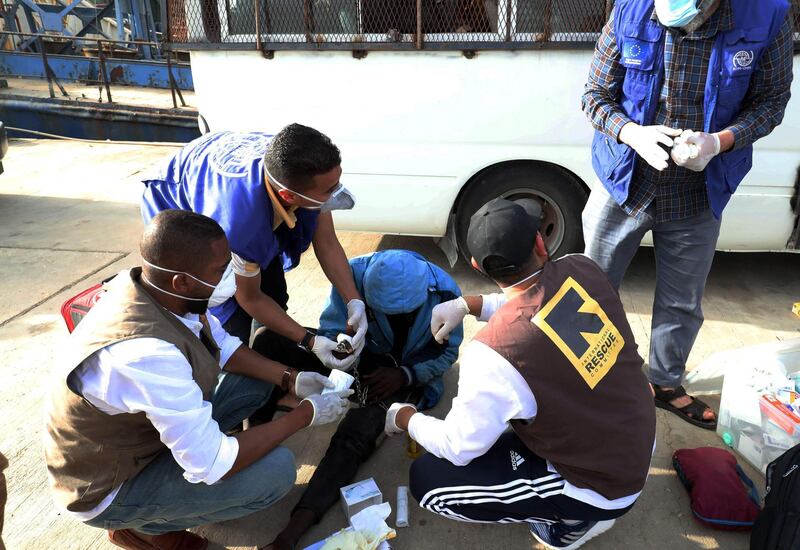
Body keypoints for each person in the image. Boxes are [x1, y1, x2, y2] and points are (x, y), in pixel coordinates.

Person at [43, 210, 352, 550]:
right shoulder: (148, 354)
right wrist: (306, 413)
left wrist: (292, 379)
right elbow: (212, 463)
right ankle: (143, 526)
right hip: (109, 485)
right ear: (182, 280)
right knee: (275, 472)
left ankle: (179, 488)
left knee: (262, 377)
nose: (231, 276)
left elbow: (225, 347)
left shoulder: (158, 291)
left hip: (141, 437)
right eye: (221, 270)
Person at [385, 198, 656, 550]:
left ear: (476, 265)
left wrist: (405, 417)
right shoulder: (582, 267)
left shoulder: (494, 354)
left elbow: (458, 446)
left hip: (602, 486)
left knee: (428, 483)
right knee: (514, 410)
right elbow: (536, 301)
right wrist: (468, 305)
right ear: (541, 244)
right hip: (633, 438)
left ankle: (573, 523)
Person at [581, 0, 793, 429]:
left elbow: (772, 102)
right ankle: (588, 383)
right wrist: (631, 133)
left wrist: (719, 142)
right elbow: (594, 96)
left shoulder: (767, 15)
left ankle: (665, 384)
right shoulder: (630, 9)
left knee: (682, 300)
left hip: (700, 188)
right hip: (624, 178)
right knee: (590, 293)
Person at [256, 249, 463, 550]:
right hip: (359, 357)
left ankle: (291, 533)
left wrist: (404, 375)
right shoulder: (351, 276)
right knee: (267, 339)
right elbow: (330, 326)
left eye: (403, 313)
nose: (395, 318)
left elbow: (446, 353)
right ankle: (255, 436)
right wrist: (339, 346)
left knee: (357, 431)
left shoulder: (446, 294)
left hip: (404, 375)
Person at [141, 123, 368, 374]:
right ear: (289, 197)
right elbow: (249, 297)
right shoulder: (240, 227)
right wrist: (310, 341)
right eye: (329, 190)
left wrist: (353, 300)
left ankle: (272, 351)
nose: (336, 192)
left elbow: (326, 240)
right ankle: (240, 385)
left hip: (222, 160)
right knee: (225, 321)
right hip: (176, 190)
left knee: (273, 294)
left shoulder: (298, 163)